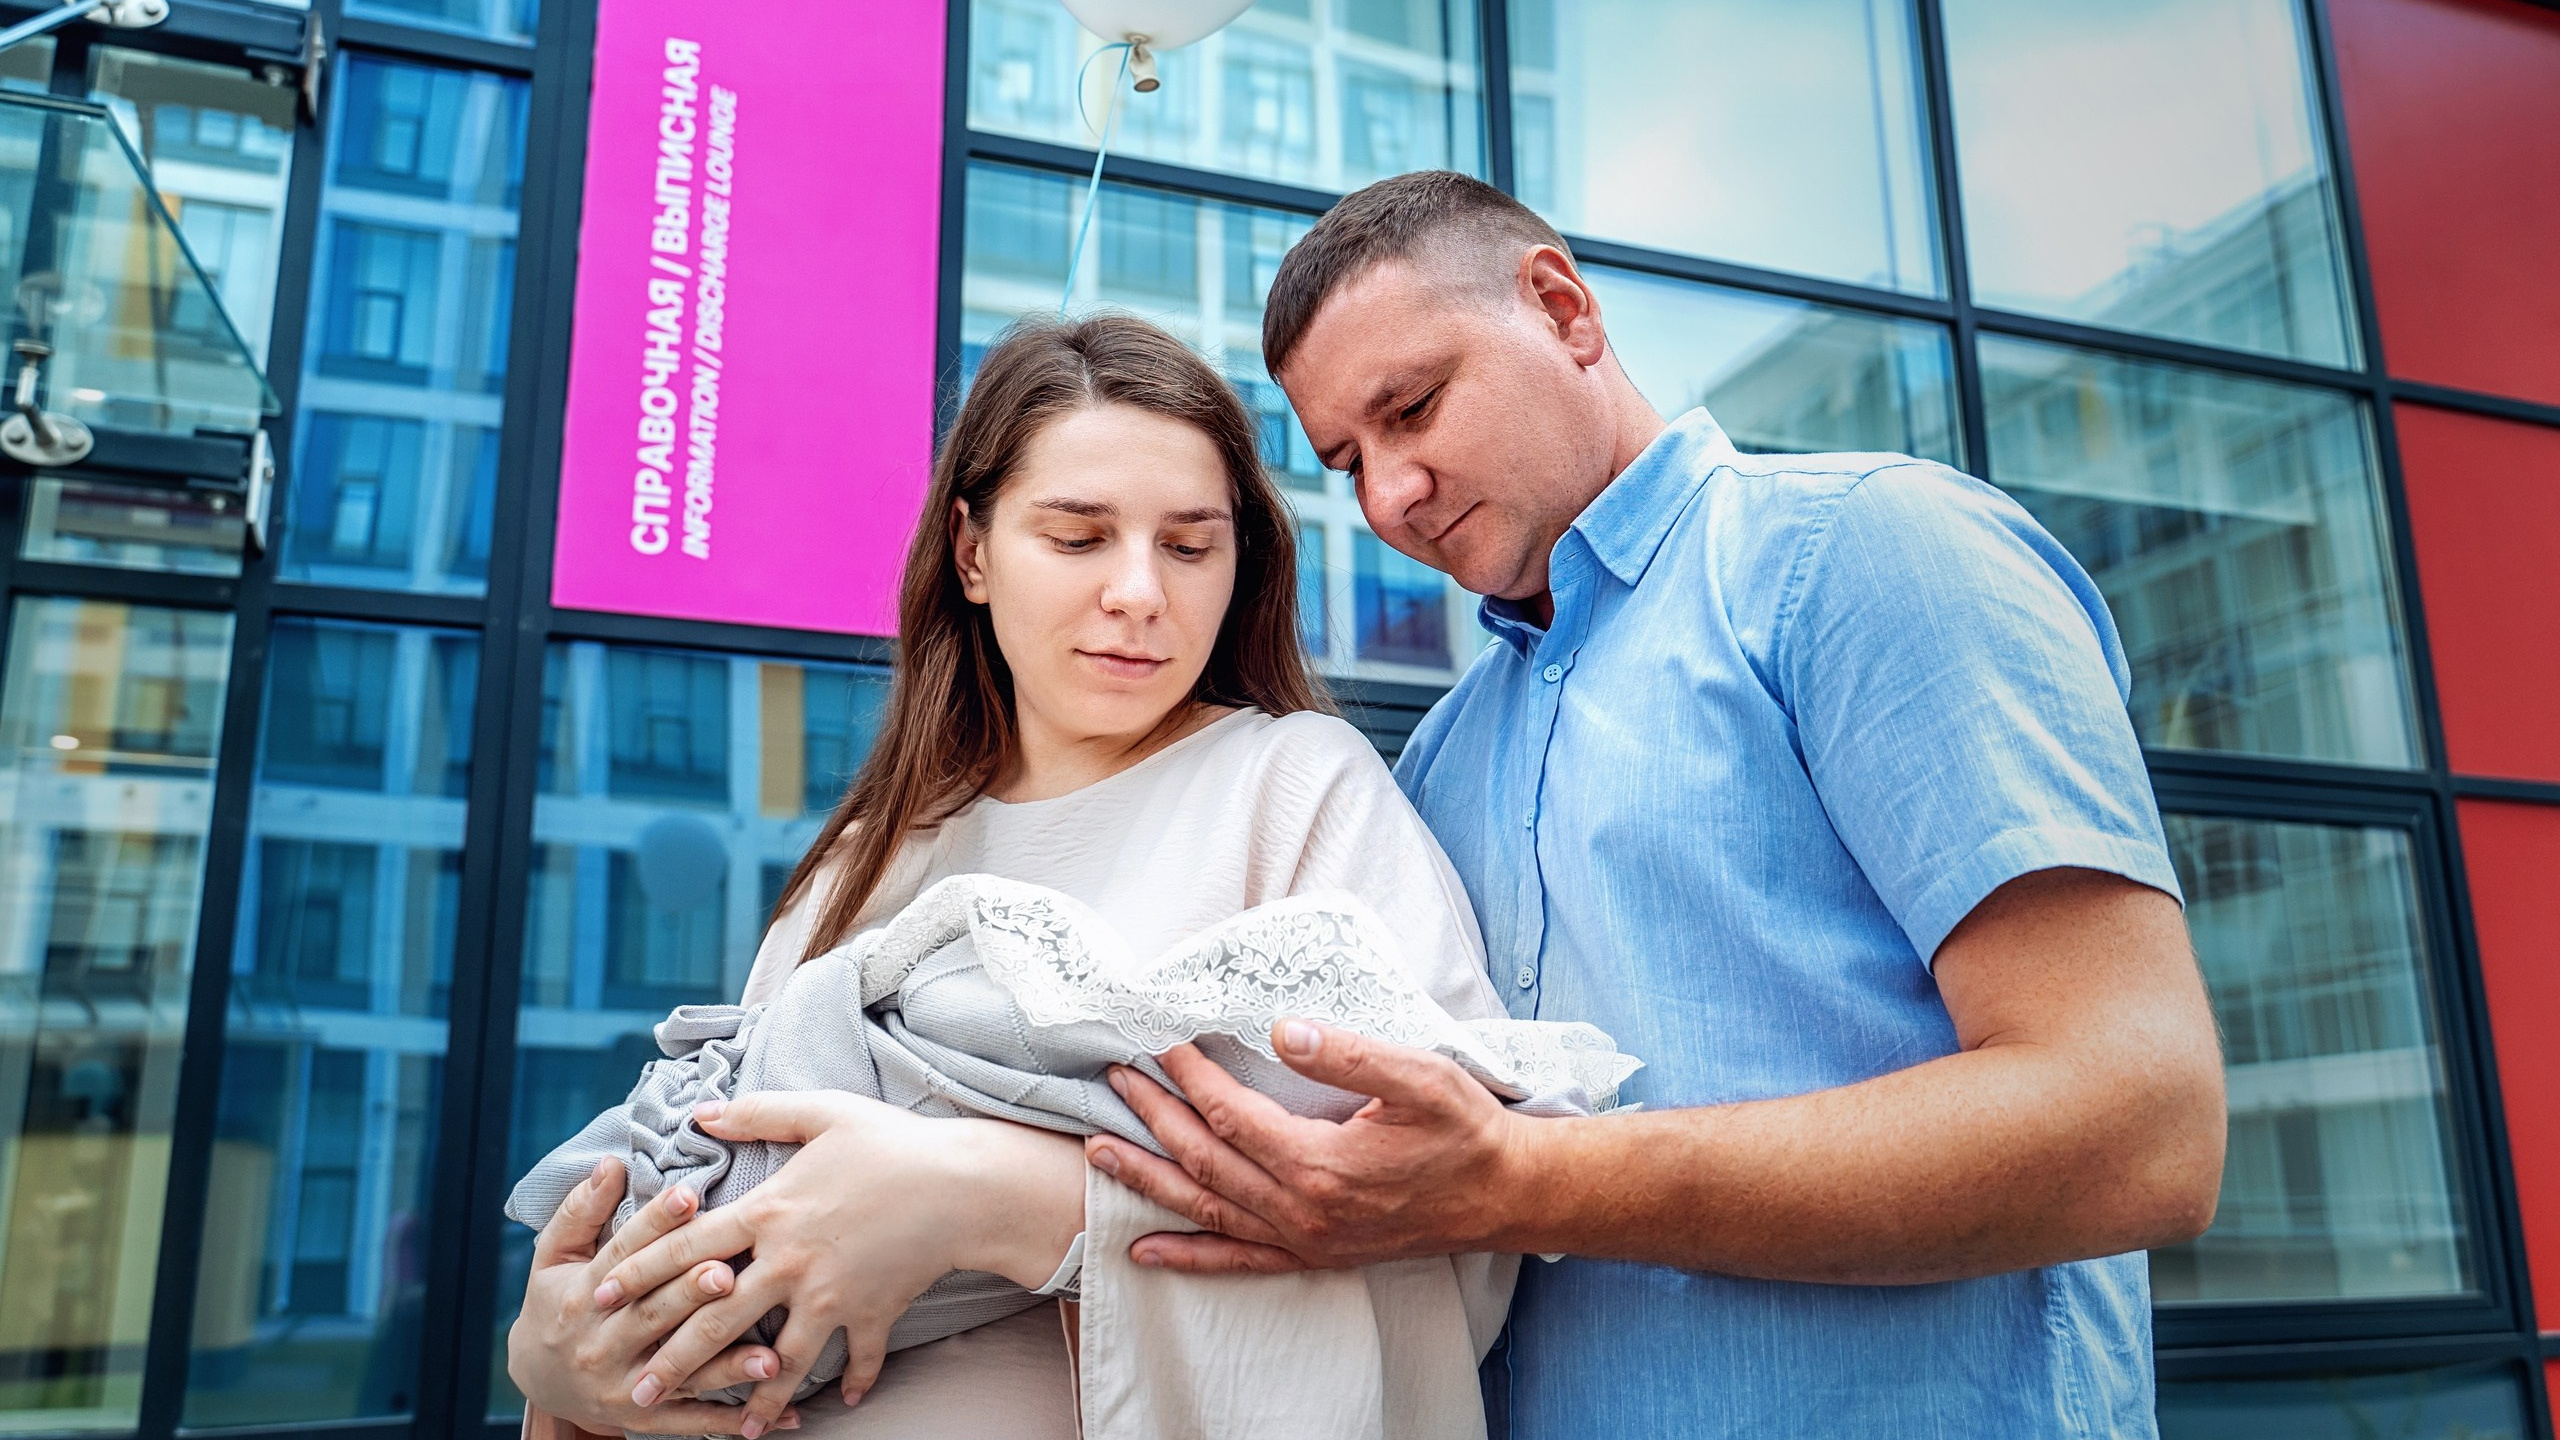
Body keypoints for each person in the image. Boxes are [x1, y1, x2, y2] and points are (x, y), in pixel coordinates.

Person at [1075, 171, 2230, 1438]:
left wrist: (1521, 1181)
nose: (1390, 495)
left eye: (1413, 408)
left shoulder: (1862, 556)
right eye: (1348, 461)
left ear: (1564, 309)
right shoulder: (1439, 760)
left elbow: (2141, 1124)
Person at [505, 313, 1538, 1440]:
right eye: (1079, 537)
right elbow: (720, 1189)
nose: (1141, 593)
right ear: (973, 551)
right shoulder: (863, 862)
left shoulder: (1292, 784)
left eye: (1190, 547)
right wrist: (571, 1356)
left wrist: (991, 1199)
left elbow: (1450, 1207)